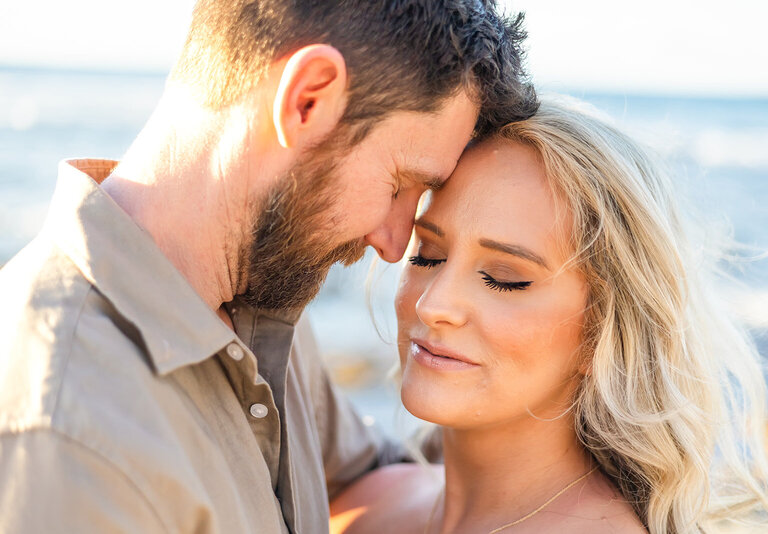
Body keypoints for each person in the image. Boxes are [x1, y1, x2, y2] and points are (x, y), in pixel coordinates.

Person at [0, 1, 536, 532]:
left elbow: (361, 477)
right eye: (399, 185)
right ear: (307, 99)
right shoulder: (65, 432)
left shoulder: (258, 297)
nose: (394, 244)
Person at [330, 98, 768, 534]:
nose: (433, 305)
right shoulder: (367, 503)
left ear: (602, 333)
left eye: (504, 279)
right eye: (428, 255)